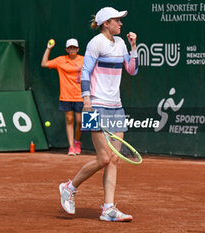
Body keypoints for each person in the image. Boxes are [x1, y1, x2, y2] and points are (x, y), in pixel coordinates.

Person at [59, 7, 138, 222]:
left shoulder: (121, 43)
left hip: (116, 106)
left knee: (113, 159)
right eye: (117, 20)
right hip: (94, 105)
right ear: (106, 23)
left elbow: (132, 70)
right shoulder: (96, 43)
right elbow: (85, 72)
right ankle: (69, 187)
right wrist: (86, 100)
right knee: (103, 158)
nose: (121, 24)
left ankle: (108, 208)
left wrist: (133, 47)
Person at [41, 38, 84, 156]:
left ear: (78, 49)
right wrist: (48, 48)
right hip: (66, 96)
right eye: (70, 48)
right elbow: (44, 63)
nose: (72, 49)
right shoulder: (61, 60)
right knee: (69, 120)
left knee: (80, 121)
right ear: (67, 49)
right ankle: (71, 147)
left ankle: (76, 141)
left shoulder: (84, 60)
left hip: (80, 96)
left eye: (74, 47)